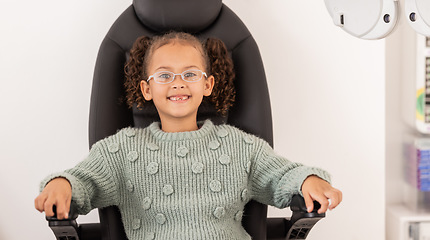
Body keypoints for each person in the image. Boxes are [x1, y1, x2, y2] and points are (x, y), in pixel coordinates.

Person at [35, 32, 342, 240]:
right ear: (147, 89)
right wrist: (61, 185)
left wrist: (308, 180)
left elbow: (282, 175)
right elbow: (81, 180)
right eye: (165, 76)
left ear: (207, 85)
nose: (178, 83)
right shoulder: (120, 151)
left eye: (190, 74)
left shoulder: (238, 146)